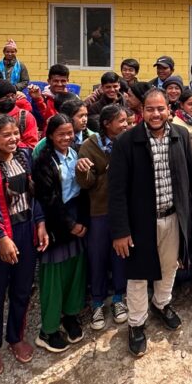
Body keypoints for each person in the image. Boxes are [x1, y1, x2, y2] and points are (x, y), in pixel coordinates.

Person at [109, 88, 192, 357]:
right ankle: (136, 323)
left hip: (174, 217)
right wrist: (120, 230)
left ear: (169, 109)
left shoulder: (181, 135)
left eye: (160, 108)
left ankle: (162, 303)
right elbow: (116, 191)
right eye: (150, 109)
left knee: (169, 265)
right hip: (141, 223)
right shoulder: (126, 142)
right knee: (138, 274)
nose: (155, 114)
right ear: (142, 111)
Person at [0, 114, 46, 375]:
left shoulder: (25, 157)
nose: (13, 139)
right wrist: (2, 238)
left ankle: (15, 337)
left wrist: (40, 222)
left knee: (22, 289)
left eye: (15, 133)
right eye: (6, 135)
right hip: (0, 235)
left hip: (26, 229)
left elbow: (35, 193)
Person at [31, 114, 88, 352]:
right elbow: (49, 198)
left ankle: (71, 315)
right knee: (54, 276)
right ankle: (49, 329)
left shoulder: (76, 154)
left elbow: (84, 189)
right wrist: (70, 225)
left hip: (77, 215)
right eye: (61, 134)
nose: (67, 137)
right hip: (57, 222)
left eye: (69, 133)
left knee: (75, 271)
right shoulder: (44, 161)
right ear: (51, 136)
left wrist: (82, 221)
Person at [78, 104, 131, 331]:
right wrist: (84, 170)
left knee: (121, 254)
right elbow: (85, 183)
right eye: (121, 121)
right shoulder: (89, 146)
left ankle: (119, 297)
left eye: (127, 121)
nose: (126, 125)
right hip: (98, 212)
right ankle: (98, 301)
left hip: (123, 210)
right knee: (97, 256)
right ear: (107, 124)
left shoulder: (127, 142)